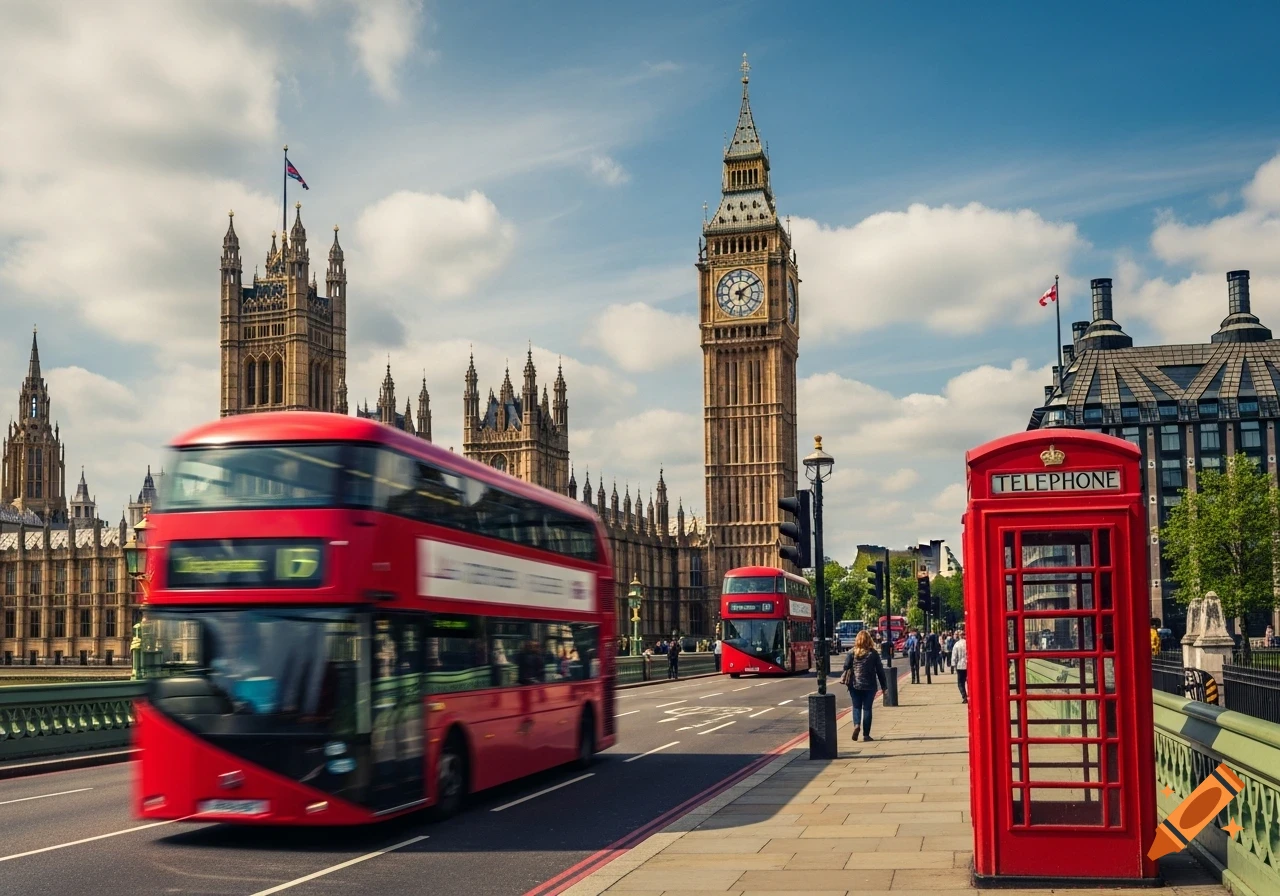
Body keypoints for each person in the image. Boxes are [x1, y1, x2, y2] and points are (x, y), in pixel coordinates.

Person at [841, 630, 887, 742]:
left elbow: (845, 667)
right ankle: (866, 735)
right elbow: (880, 671)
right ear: (869, 640)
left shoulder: (852, 652)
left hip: (855, 685)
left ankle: (856, 725)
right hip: (870, 685)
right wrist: (884, 687)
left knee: (856, 707)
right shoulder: (873, 654)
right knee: (867, 708)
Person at [952, 630, 968, 703]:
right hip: (968, 665)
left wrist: (953, 665)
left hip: (960, 666)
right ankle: (970, 695)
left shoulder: (957, 644)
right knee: (968, 681)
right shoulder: (968, 643)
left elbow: (954, 656)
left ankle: (964, 696)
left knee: (960, 683)